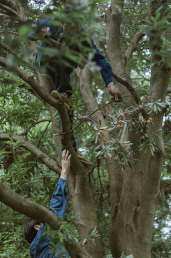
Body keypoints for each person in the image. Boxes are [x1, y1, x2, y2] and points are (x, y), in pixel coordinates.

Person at [29, 18, 121, 164]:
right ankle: (64, 92)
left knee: (66, 110)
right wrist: (41, 32)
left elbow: (100, 59)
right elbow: (31, 30)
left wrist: (110, 83)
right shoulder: (52, 23)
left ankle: (70, 152)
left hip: (63, 65)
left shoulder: (83, 37)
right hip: (43, 59)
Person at [23, 150, 72, 258]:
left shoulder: (41, 252)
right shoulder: (42, 237)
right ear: (37, 227)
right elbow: (55, 211)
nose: (48, 218)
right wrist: (64, 172)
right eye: (44, 221)